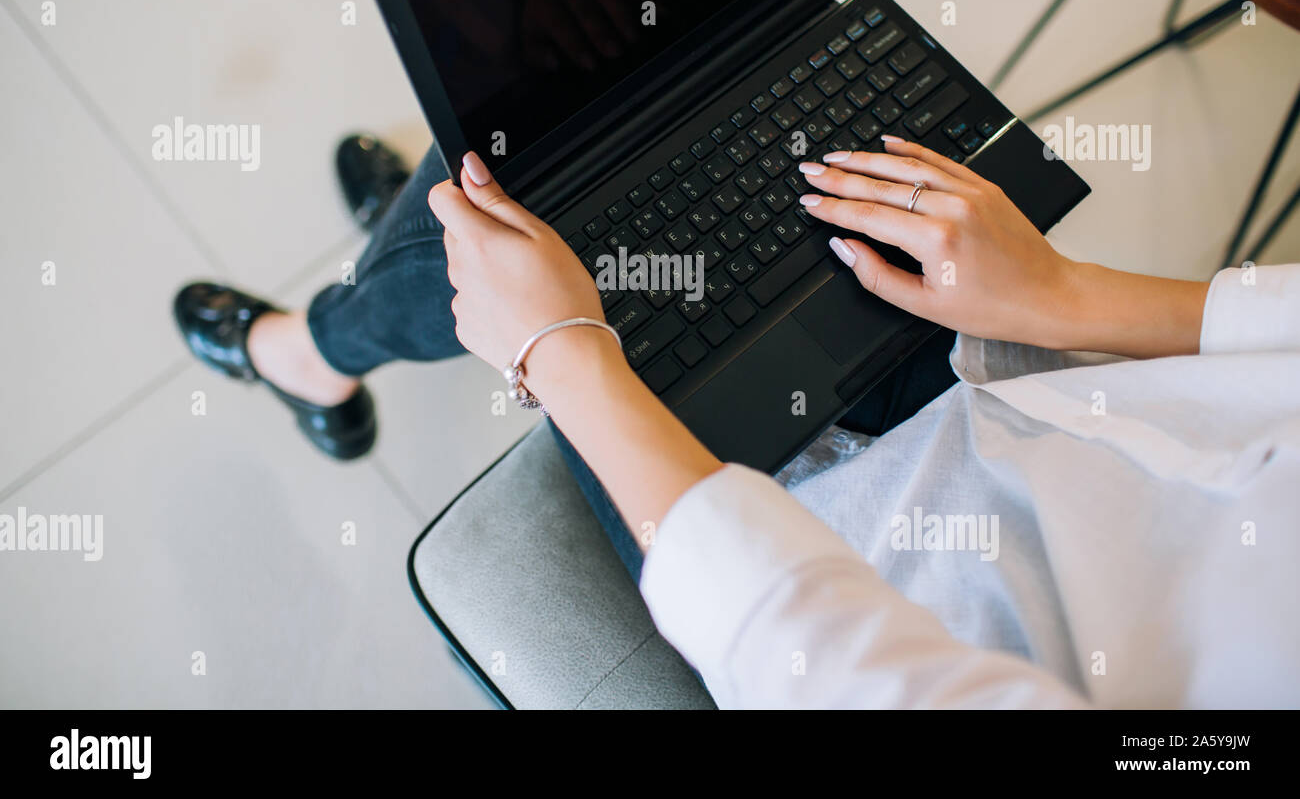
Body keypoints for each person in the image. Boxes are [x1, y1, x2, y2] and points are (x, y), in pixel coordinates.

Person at [174, 137, 1300, 709]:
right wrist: (1056, 292)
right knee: (688, 130)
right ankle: (420, 261)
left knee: (525, 186)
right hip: (1033, 390)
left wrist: (563, 350)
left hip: (859, 559)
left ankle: (318, 347)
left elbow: (829, 664)